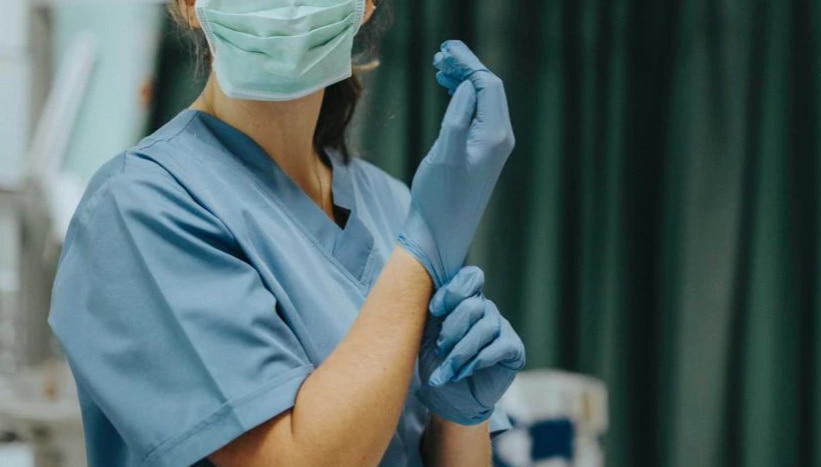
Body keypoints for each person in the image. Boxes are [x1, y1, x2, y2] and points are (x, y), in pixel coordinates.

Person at [48, 0, 525, 465]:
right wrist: (423, 247)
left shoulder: (395, 204)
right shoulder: (139, 205)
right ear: (190, 4)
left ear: (366, 5)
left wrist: (460, 418)